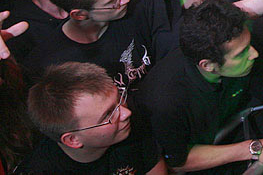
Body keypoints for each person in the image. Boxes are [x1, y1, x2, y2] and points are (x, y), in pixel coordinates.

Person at [137, 0, 263, 174]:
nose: (254, 54)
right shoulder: (164, 99)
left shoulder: (242, 45)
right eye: (241, 54)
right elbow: (178, 161)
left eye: (249, 44)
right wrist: (253, 148)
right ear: (208, 65)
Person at [18, 62, 168, 174]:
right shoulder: (39, 170)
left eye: (119, 98)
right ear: (72, 140)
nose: (125, 113)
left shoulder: (132, 128)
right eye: (108, 115)